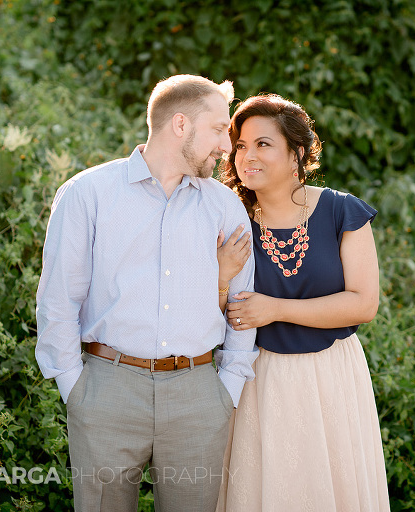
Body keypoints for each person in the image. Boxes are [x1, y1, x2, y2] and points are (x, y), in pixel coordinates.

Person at [35, 74, 258, 512]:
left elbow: (242, 305)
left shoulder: (224, 206)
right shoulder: (87, 194)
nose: (226, 147)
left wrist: (227, 388)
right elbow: (59, 299)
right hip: (106, 392)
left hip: (199, 397)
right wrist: (74, 388)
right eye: (218, 130)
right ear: (180, 125)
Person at [216, 94, 390, 511]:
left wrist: (276, 309)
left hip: (330, 375)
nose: (246, 156)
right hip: (257, 379)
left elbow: (363, 304)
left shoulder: (341, 211)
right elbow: (209, 311)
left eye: (262, 144)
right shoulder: (227, 217)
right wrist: (221, 278)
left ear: (296, 153)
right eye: (240, 145)